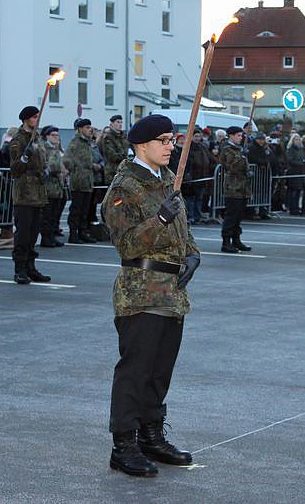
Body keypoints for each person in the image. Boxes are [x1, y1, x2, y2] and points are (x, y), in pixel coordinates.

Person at [101, 113, 200, 477]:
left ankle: (152, 436)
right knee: (135, 371)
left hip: (172, 292)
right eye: (164, 140)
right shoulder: (124, 186)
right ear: (142, 144)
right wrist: (158, 219)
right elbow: (125, 243)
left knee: (160, 371)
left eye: (172, 140)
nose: (170, 146)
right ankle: (123, 444)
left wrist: (193, 255)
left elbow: (183, 230)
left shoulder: (168, 180)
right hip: (140, 291)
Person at [8, 106, 51, 284]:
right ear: (26, 119)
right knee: (23, 234)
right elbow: (15, 169)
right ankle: (20, 269)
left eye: (37, 117)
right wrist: (24, 158)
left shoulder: (38, 138)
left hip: (38, 193)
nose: (36, 120)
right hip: (24, 193)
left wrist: (45, 168)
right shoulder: (18, 140)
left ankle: (31, 267)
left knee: (34, 234)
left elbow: (42, 161)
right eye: (34, 117)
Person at [64, 118, 97, 244]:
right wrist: (78, 168)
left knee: (85, 210)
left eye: (90, 127)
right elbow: (67, 159)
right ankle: (73, 234)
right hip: (78, 181)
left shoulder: (87, 143)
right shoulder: (75, 142)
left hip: (88, 181)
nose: (90, 130)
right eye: (87, 127)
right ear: (80, 129)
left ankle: (83, 232)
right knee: (76, 209)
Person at [220, 126, 251, 253]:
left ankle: (236, 240)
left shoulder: (238, 149)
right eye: (238, 135)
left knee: (238, 216)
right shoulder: (227, 149)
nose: (241, 138)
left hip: (242, 187)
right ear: (231, 136)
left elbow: (244, 166)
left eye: (241, 135)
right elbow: (232, 166)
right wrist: (242, 158)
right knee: (231, 216)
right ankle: (226, 242)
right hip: (233, 188)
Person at [40, 125, 66, 248]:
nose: (56, 138)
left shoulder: (55, 149)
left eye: (57, 135)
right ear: (47, 136)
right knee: (47, 215)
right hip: (48, 187)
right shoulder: (44, 148)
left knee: (54, 215)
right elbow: (49, 166)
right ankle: (47, 238)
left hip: (57, 187)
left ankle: (52, 236)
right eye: (53, 135)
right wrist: (60, 169)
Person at [101, 115, 129, 186]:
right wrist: (126, 157)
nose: (120, 124)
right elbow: (112, 156)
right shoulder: (108, 137)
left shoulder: (123, 136)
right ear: (112, 124)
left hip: (124, 171)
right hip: (112, 172)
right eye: (118, 122)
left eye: (121, 122)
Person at [285, 133, 305, 215]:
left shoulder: (300, 149)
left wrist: (304, 162)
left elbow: (303, 158)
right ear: (292, 140)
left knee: (298, 191)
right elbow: (290, 160)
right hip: (293, 172)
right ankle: (292, 208)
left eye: (298, 139)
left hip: (300, 172)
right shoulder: (290, 149)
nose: (297, 141)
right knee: (292, 191)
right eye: (296, 139)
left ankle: (296, 207)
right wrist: (300, 163)